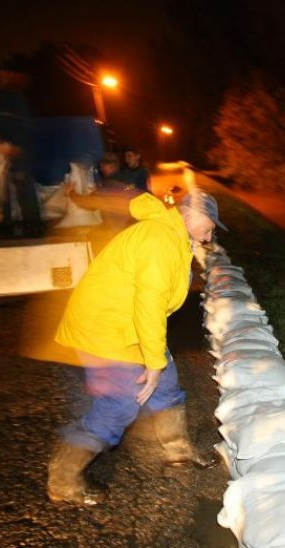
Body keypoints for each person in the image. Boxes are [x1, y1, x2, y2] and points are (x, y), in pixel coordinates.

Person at [47, 190, 227, 506]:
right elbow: (149, 305)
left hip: (124, 326)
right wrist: (153, 362)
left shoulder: (172, 235)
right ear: (192, 215)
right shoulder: (160, 240)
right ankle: (63, 481)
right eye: (209, 227)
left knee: (167, 385)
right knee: (120, 404)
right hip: (108, 330)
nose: (209, 236)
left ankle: (178, 451)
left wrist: (157, 362)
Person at [0, 56, 43, 235]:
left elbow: (24, 122)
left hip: (18, 148)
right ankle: (6, 221)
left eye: (2, 72)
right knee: (1, 186)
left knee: (22, 182)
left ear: (8, 74)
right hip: (0, 147)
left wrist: (17, 145)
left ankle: (33, 223)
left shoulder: (15, 96)